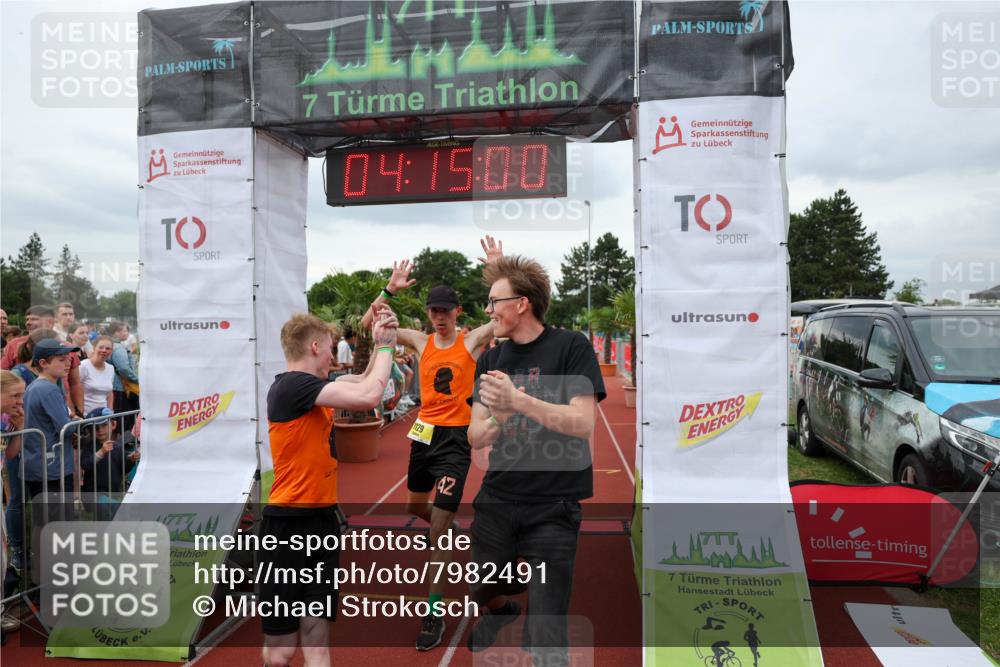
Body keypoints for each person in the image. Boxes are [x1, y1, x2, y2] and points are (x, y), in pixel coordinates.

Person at [359, 237, 502, 651]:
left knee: (438, 529)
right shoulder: (420, 341)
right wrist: (388, 290)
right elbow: (371, 325)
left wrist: (498, 266)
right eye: (434, 311)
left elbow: (510, 312)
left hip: (457, 440)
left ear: (457, 311)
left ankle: (433, 612)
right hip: (423, 433)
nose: (439, 317)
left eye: (445, 311)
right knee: (413, 508)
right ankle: (447, 523)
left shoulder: (471, 340)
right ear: (428, 314)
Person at [466, 255, 606, 667]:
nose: (489, 311)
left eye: (494, 301)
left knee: (546, 634)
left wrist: (519, 401)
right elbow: (475, 436)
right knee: (481, 588)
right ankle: (502, 610)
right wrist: (498, 416)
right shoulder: (491, 360)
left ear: (522, 303)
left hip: (553, 505)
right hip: (497, 500)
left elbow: (582, 423)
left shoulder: (570, 346)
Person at [260, 307, 398, 667]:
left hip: (320, 523)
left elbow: (367, 378)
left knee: (317, 638)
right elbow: (370, 396)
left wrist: (383, 335)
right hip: (286, 527)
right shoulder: (291, 385)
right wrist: (385, 347)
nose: (334, 356)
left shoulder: (314, 388)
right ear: (315, 346)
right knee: (281, 652)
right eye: (331, 349)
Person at [22, 339, 81, 501]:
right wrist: (77, 421)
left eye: (68, 358)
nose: (68, 363)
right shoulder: (49, 389)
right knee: (57, 521)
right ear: (43, 363)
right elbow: (65, 428)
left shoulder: (35, 386)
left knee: (45, 521)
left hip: (38, 462)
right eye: (61, 360)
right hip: (52, 466)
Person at [1, 370, 26, 639]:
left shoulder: (7, 419)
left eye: (22, 395)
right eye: (14, 395)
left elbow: (10, 454)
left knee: (2, 558)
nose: (20, 401)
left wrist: (19, 426)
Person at [107, 321, 139, 431]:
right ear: (116, 332)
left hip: (112, 386)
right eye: (123, 331)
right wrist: (136, 380)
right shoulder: (118, 348)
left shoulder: (109, 345)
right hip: (120, 387)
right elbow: (124, 369)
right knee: (121, 421)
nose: (126, 333)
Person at [1, 305, 55, 370]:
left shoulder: (64, 346)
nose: (28, 323)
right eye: (27, 319)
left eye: (34, 319)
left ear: (50, 322)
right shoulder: (14, 344)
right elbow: (2, 371)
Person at [79, 337, 115, 414]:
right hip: (86, 416)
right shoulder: (83, 366)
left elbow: (109, 393)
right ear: (94, 348)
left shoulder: (111, 368)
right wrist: (80, 413)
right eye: (101, 347)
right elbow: (75, 390)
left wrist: (110, 412)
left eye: (108, 348)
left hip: (103, 416)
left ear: (111, 351)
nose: (104, 350)